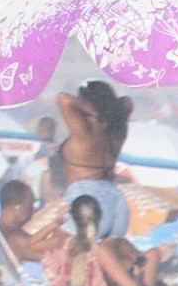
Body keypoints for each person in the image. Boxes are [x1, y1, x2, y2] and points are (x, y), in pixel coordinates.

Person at [51, 80, 133, 237]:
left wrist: (93, 111)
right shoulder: (117, 127)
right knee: (109, 257)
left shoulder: (84, 130)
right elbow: (127, 102)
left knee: (72, 253)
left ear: (85, 102)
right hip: (115, 199)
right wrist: (105, 109)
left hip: (85, 199)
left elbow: (63, 98)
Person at [60, 193, 144, 286]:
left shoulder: (65, 246)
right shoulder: (100, 251)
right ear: (100, 217)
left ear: (73, 219)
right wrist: (138, 274)